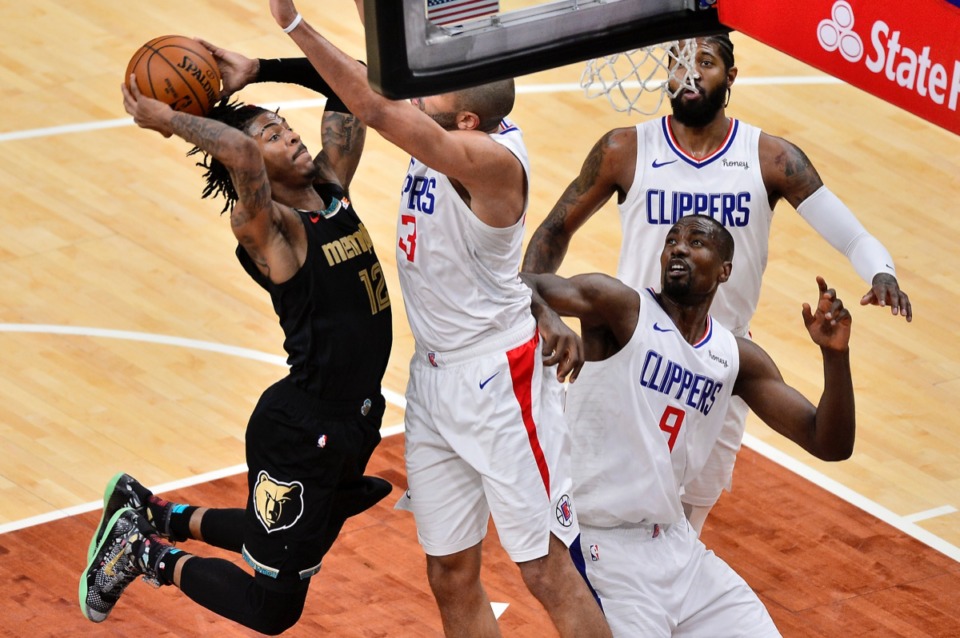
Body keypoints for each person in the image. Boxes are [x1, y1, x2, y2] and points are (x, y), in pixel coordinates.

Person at [255, 1, 613, 636]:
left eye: (434, 90)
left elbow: (374, 106)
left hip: (500, 381)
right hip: (434, 378)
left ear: (467, 120)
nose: (417, 90)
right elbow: (390, 69)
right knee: (448, 571)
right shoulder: (453, 126)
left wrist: (291, 24)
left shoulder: (492, 165)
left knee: (546, 572)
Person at [521, 33, 910, 533]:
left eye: (704, 62)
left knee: (680, 526)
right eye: (678, 62)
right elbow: (554, 231)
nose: (690, 73)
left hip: (721, 364)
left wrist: (882, 273)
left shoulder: (770, 159)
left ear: (731, 77)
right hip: (631, 351)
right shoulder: (625, 148)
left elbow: (854, 236)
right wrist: (541, 312)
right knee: (598, 509)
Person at [79, 59, 394, 635]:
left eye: (285, 125)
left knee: (276, 532)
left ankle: (151, 516)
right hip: (304, 432)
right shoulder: (268, 226)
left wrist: (260, 68)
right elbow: (242, 158)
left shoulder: (329, 187)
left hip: (352, 417)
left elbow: (352, 81)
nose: (291, 135)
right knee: (272, 610)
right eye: (272, 135)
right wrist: (172, 118)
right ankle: (148, 555)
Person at [522, 214, 855, 636]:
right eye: (672, 240)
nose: (679, 247)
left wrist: (835, 356)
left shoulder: (735, 357)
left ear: (725, 270)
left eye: (696, 242)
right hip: (603, 546)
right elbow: (522, 283)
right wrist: (548, 319)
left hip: (676, 546)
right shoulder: (619, 308)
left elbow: (829, 443)